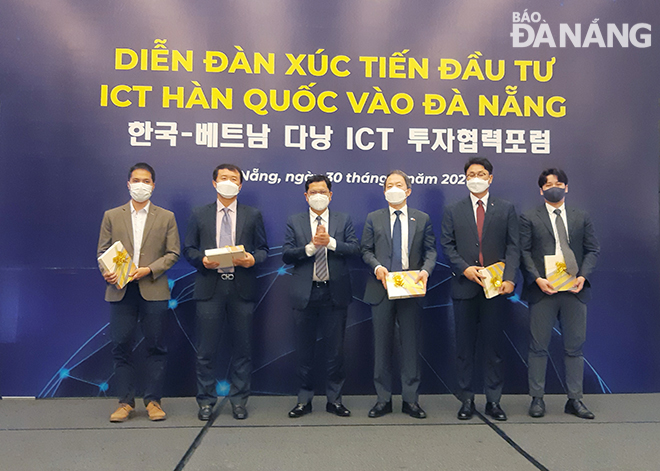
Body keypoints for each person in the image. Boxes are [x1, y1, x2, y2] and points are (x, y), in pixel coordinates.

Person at [183, 163, 268, 421]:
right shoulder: (199, 214)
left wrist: (251, 260)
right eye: (224, 178)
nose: (228, 182)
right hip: (211, 287)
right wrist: (203, 261)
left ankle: (239, 401)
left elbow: (263, 250)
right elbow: (189, 249)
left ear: (240, 185)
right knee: (206, 350)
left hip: (241, 288)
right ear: (214, 182)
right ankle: (206, 401)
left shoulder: (252, 215)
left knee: (242, 350)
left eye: (234, 179)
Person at [97, 162, 180, 422]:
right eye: (136, 180)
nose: (140, 185)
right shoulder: (112, 215)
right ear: (128, 183)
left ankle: (153, 401)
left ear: (153, 185)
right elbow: (103, 252)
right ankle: (125, 402)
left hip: (153, 289)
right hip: (121, 290)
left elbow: (173, 253)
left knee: (155, 346)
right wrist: (107, 271)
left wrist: (148, 270)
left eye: (146, 181)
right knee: (121, 345)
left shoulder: (166, 216)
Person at [440, 157, 520, 421]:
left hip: (496, 289)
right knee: (464, 347)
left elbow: (513, 246)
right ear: (465, 179)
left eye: (482, 173)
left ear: (490, 178)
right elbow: (447, 245)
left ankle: (494, 401)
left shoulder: (506, 208)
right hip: (464, 286)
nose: (476, 177)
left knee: (493, 347)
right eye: (472, 174)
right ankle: (467, 400)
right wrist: (464, 268)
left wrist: (510, 278)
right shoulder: (453, 209)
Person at [520, 168, 600, 419]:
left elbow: (592, 249)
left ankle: (575, 400)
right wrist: (537, 279)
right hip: (544, 290)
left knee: (574, 347)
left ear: (566, 187)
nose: (553, 187)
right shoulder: (529, 216)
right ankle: (537, 399)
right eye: (548, 184)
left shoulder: (581, 216)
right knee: (538, 347)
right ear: (541, 190)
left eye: (558, 183)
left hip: (573, 290)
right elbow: (524, 252)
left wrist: (583, 276)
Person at [361, 170, 437, 419]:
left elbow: (431, 251)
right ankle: (383, 399)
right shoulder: (374, 218)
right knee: (381, 347)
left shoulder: (422, 218)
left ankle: (410, 400)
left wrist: (426, 271)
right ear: (384, 191)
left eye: (399, 184)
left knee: (410, 346)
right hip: (381, 289)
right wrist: (377, 267)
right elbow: (365, 250)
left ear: (408, 190)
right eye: (389, 185)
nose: (394, 188)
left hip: (411, 288)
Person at [283, 175, 360, 418]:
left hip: (333, 292)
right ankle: (303, 400)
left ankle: (334, 400)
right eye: (313, 192)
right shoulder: (294, 221)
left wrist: (331, 243)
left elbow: (355, 249)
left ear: (330, 194)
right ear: (306, 196)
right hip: (304, 293)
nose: (319, 195)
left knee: (335, 351)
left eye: (323, 191)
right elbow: (286, 254)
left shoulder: (343, 219)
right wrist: (309, 248)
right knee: (304, 351)